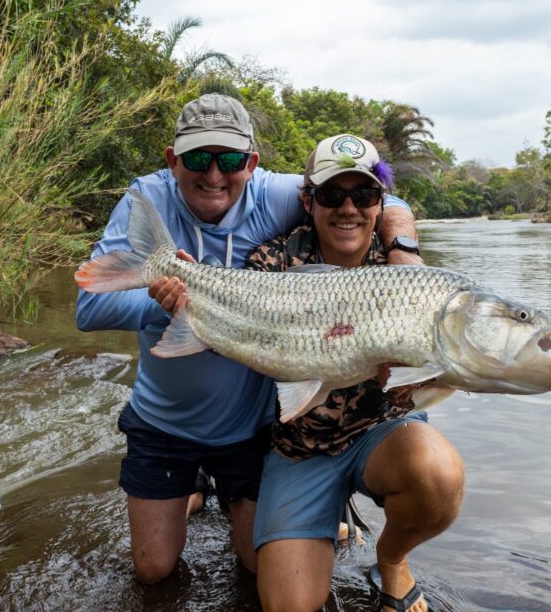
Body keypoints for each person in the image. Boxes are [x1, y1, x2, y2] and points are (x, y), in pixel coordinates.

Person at [75, 95, 423, 584]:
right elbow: (88, 307)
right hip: (164, 422)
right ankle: (194, 488)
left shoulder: (276, 195)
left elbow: (383, 199)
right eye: (197, 159)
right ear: (173, 160)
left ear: (251, 163)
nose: (214, 175)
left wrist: (402, 251)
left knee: (257, 566)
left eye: (230, 160)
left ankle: (219, 492)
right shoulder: (146, 197)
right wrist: (166, 301)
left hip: (248, 428)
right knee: (153, 571)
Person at [245, 134, 465, 612]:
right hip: (298, 447)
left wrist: (436, 375)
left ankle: (392, 561)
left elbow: (443, 375)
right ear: (308, 201)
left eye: (363, 196)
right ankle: (326, 510)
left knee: (439, 473)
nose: (349, 208)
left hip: (379, 433)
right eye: (331, 195)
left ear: (379, 205)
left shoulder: (410, 273)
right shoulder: (270, 262)